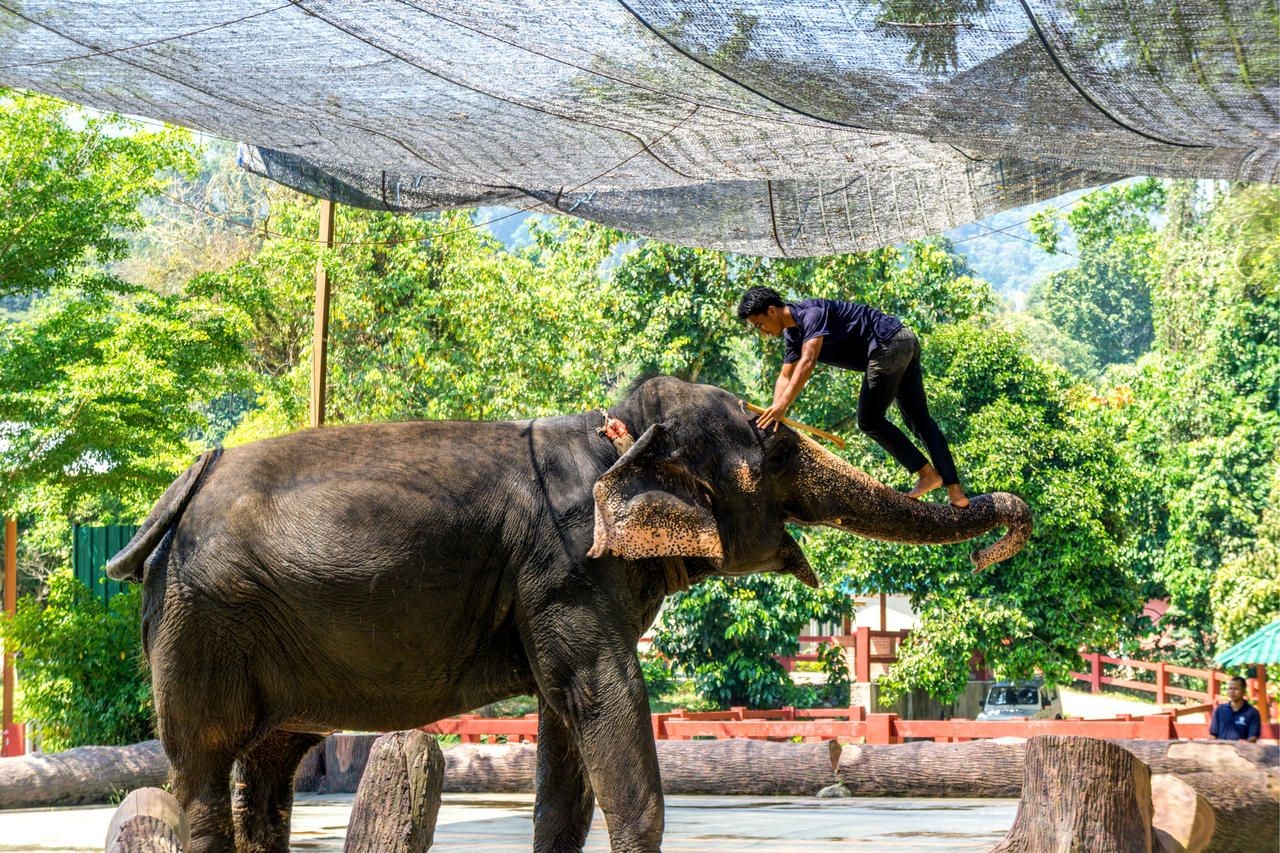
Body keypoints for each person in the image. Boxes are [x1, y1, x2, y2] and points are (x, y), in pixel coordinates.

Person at [737, 286, 968, 508]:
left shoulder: (811, 314)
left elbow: (807, 362)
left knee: (869, 420)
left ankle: (927, 473)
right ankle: (956, 492)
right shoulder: (792, 335)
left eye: (760, 325)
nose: (762, 332)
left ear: (771, 311)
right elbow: (785, 375)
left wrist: (783, 405)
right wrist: (776, 412)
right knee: (920, 420)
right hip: (904, 340)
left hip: (887, 344)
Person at [1209, 675, 1262, 742]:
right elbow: (1213, 734)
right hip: (1221, 749)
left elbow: (1253, 737)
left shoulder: (1252, 713)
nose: (1232, 692)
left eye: (1235, 689)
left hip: (1243, 750)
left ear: (1243, 691)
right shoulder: (1220, 710)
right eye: (1230, 689)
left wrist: (1245, 743)